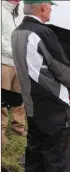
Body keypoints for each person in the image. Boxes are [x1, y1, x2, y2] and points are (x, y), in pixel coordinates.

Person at [11, 1, 70, 172]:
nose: (52, 9)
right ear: (43, 7)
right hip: (53, 105)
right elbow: (64, 72)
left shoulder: (17, 33)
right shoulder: (43, 33)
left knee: (34, 162)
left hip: (32, 105)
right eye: (50, 5)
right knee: (56, 165)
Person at [1, 0, 26, 145]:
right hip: (4, 62)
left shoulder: (20, 11)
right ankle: (1, 131)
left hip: (19, 63)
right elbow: (2, 41)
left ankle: (19, 127)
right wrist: (17, 53)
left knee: (18, 97)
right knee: (3, 98)